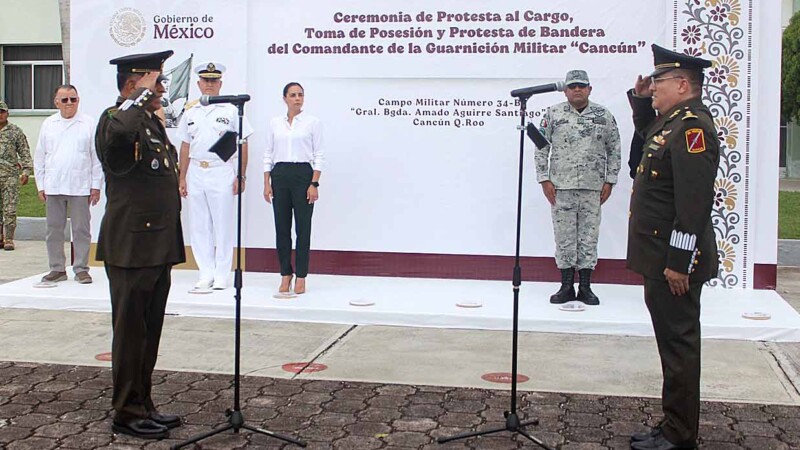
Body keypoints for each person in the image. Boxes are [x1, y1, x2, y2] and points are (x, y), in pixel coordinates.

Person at [627, 44, 719, 450]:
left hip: (674, 264)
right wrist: (640, 103)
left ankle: (680, 435)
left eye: (659, 83)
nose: (653, 89)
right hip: (659, 259)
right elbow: (643, 152)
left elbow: (693, 205)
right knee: (671, 346)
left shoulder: (693, 129)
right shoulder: (672, 124)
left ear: (683, 84)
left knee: (679, 349)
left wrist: (680, 263)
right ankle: (672, 424)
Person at [95, 50, 185, 440]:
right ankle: (126, 414)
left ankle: (143, 402)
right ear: (134, 84)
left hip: (155, 244)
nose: (162, 88)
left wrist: (145, 104)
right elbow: (116, 141)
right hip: (131, 246)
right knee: (131, 333)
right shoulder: (115, 120)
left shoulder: (148, 121)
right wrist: (135, 98)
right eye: (155, 82)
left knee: (148, 331)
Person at [535, 70, 621, 305]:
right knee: (564, 237)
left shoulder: (603, 115)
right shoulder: (553, 114)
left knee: (588, 237)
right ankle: (565, 286)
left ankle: (585, 286)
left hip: (593, 187)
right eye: (572, 86)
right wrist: (544, 179)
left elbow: (614, 148)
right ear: (565, 91)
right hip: (561, 187)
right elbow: (541, 147)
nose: (577, 90)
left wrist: (610, 180)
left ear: (589, 89)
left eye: (582, 86)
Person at [177, 61, 254, 291]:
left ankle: (222, 274)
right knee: (199, 225)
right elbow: (184, 145)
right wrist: (182, 177)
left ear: (220, 83)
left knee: (222, 224)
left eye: (214, 81)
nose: (209, 85)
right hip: (196, 170)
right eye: (205, 80)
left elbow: (243, 143)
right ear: (199, 84)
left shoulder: (231, 110)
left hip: (221, 170)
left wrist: (241, 175)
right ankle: (205, 272)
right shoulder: (190, 111)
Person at [34, 85, 102, 284]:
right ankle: (57, 268)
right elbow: (40, 157)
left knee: (81, 229)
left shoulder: (88, 123)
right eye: (65, 100)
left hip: (80, 185)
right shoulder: (48, 124)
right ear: (56, 102)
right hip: (54, 185)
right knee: (54, 229)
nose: (70, 104)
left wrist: (95, 185)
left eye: (73, 99)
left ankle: (81, 268)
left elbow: (96, 157)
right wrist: (40, 185)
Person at [263, 82, 324, 295]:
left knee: (303, 229)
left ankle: (301, 275)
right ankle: (285, 273)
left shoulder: (312, 122)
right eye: (293, 95)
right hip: (280, 175)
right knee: (282, 228)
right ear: (284, 98)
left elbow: (318, 154)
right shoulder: (274, 123)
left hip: (303, 175)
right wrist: (266, 182)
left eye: (300, 95)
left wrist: (314, 183)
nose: (297, 98)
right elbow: (268, 153)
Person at [0, 100, 33, 251]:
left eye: (2, 111)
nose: (0, 115)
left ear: (7, 113)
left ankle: (9, 239)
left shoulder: (15, 132)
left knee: (10, 209)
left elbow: (25, 152)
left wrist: (26, 171)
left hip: (10, 177)